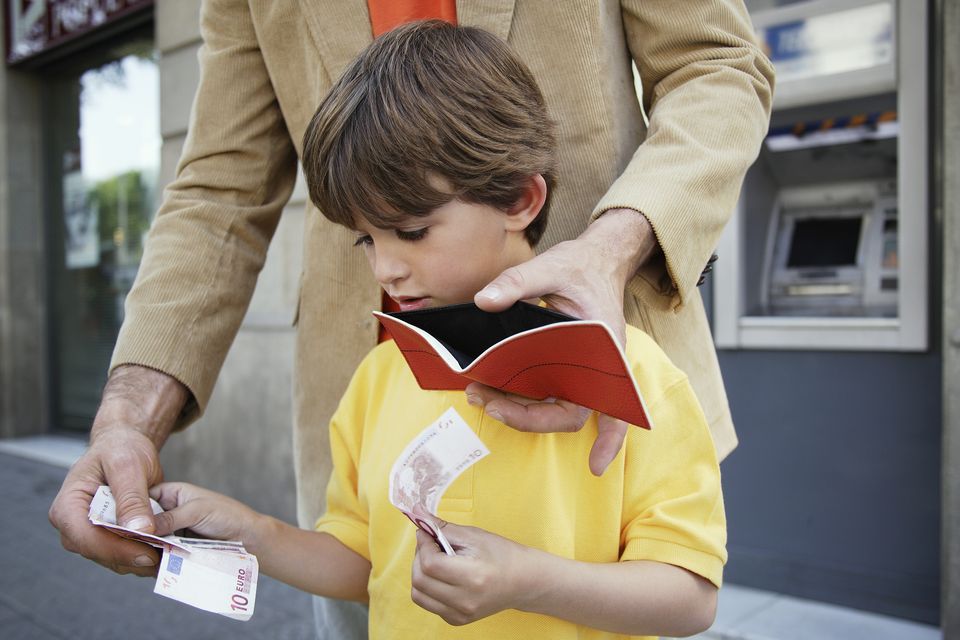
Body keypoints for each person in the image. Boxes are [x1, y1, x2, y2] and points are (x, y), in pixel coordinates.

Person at [48, 1, 772, 637]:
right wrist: (253, 531)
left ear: (522, 198)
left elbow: (686, 598)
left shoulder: (646, 383)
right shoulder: (374, 383)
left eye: (412, 231)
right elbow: (366, 562)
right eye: (365, 238)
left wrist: (527, 580)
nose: (384, 271)